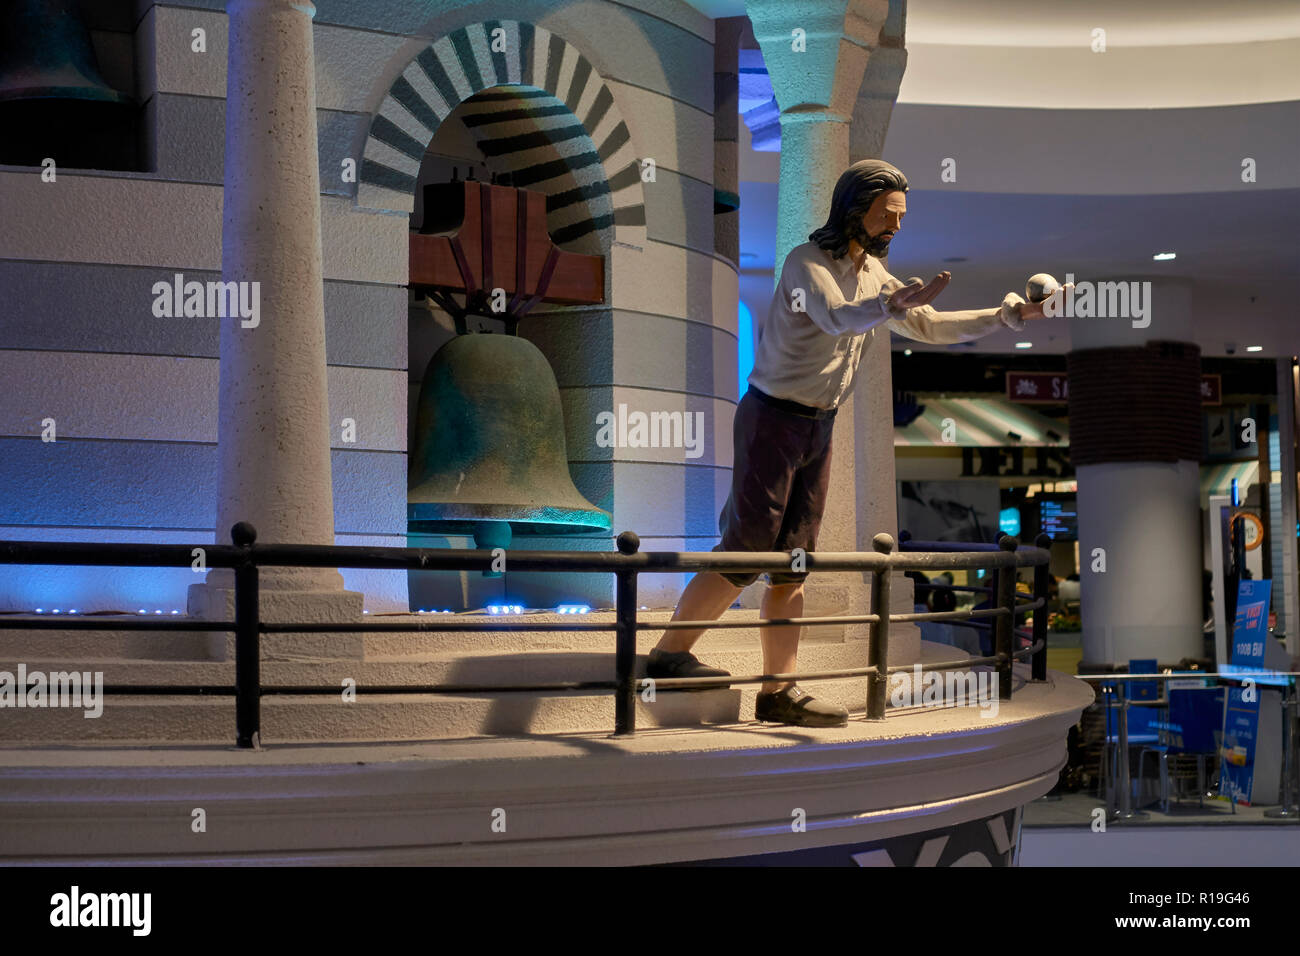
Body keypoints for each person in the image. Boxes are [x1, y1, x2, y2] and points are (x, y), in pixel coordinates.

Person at [644, 159, 1059, 727]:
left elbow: (931, 327)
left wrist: (1008, 314)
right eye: (887, 214)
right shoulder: (806, 264)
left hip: (817, 424)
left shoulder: (876, 276)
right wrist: (887, 307)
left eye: (900, 217)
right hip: (771, 418)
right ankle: (669, 655)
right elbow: (836, 318)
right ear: (854, 208)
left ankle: (777, 690)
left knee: (795, 560)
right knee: (746, 550)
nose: (895, 226)